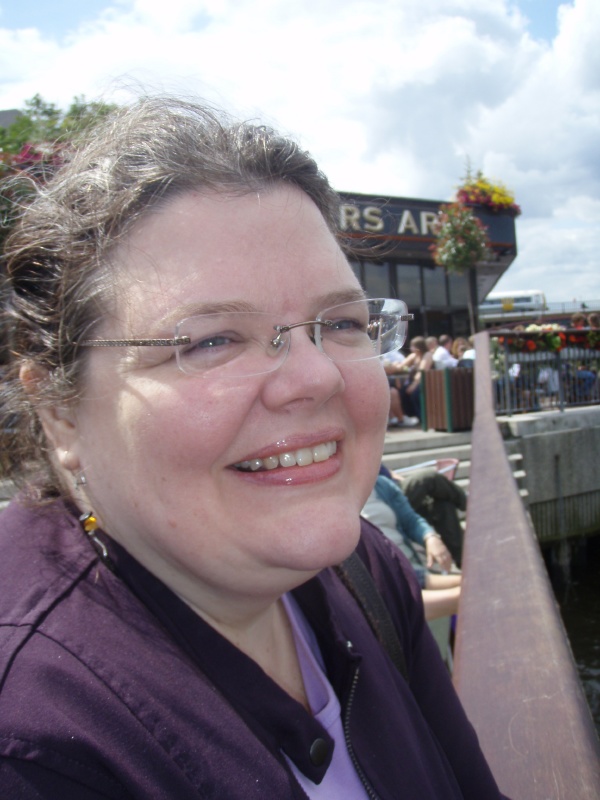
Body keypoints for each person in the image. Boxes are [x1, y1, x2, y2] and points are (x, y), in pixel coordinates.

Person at [0, 96, 507, 799]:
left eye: (342, 322)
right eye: (213, 340)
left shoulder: (365, 571)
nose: (316, 376)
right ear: (60, 413)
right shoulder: (36, 747)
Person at [361, 473, 461, 621]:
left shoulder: (380, 485)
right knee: (471, 589)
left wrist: (430, 537)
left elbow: (410, 520)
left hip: (412, 569)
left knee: (443, 505)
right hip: (391, 580)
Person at [396, 467, 467, 567]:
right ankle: (470, 504)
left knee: (442, 505)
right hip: (385, 500)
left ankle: (464, 562)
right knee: (428, 477)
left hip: (393, 489)